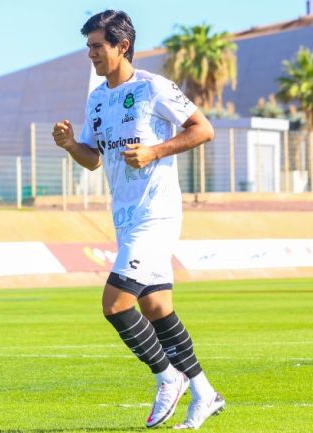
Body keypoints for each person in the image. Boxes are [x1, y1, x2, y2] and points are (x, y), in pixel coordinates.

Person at [52, 10, 225, 430]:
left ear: (121, 46)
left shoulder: (153, 87)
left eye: (97, 46)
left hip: (156, 213)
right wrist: (71, 144)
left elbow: (204, 129)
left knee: (115, 304)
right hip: (125, 216)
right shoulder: (97, 98)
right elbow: (94, 160)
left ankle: (169, 377)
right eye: (88, 46)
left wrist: (155, 151)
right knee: (156, 304)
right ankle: (205, 393)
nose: (90, 54)